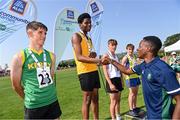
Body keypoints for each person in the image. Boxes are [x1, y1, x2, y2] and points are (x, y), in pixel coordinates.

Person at [104, 36, 180, 119]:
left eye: (140, 46)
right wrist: (111, 60)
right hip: (150, 116)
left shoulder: (163, 70)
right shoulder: (144, 65)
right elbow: (126, 70)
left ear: (148, 48)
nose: (137, 49)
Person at [10, 21, 62, 119]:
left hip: (52, 101)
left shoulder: (51, 56)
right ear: (30, 33)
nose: (44, 36)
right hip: (34, 106)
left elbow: (51, 77)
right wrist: (29, 98)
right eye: (40, 32)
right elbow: (16, 85)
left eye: (45, 33)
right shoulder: (19, 57)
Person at [71, 13, 107, 119]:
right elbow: (79, 57)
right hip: (85, 72)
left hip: (93, 70)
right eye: (86, 23)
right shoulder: (76, 36)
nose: (89, 25)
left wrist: (93, 55)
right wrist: (99, 60)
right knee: (87, 100)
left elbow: (89, 54)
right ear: (80, 24)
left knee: (95, 99)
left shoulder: (88, 38)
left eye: (90, 23)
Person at [102, 39, 123, 120]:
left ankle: (118, 116)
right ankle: (113, 118)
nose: (114, 47)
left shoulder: (116, 55)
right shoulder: (106, 55)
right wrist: (110, 84)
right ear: (108, 45)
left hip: (118, 79)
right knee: (113, 102)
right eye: (112, 45)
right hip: (111, 80)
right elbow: (105, 71)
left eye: (115, 45)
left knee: (118, 100)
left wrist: (121, 79)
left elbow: (119, 68)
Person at [121, 44, 141, 116]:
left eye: (132, 49)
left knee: (135, 93)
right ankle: (131, 109)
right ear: (126, 49)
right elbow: (122, 68)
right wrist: (125, 77)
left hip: (136, 77)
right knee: (131, 94)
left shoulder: (134, 56)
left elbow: (137, 65)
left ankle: (134, 107)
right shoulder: (125, 58)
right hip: (130, 78)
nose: (130, 50)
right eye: (129, 49)